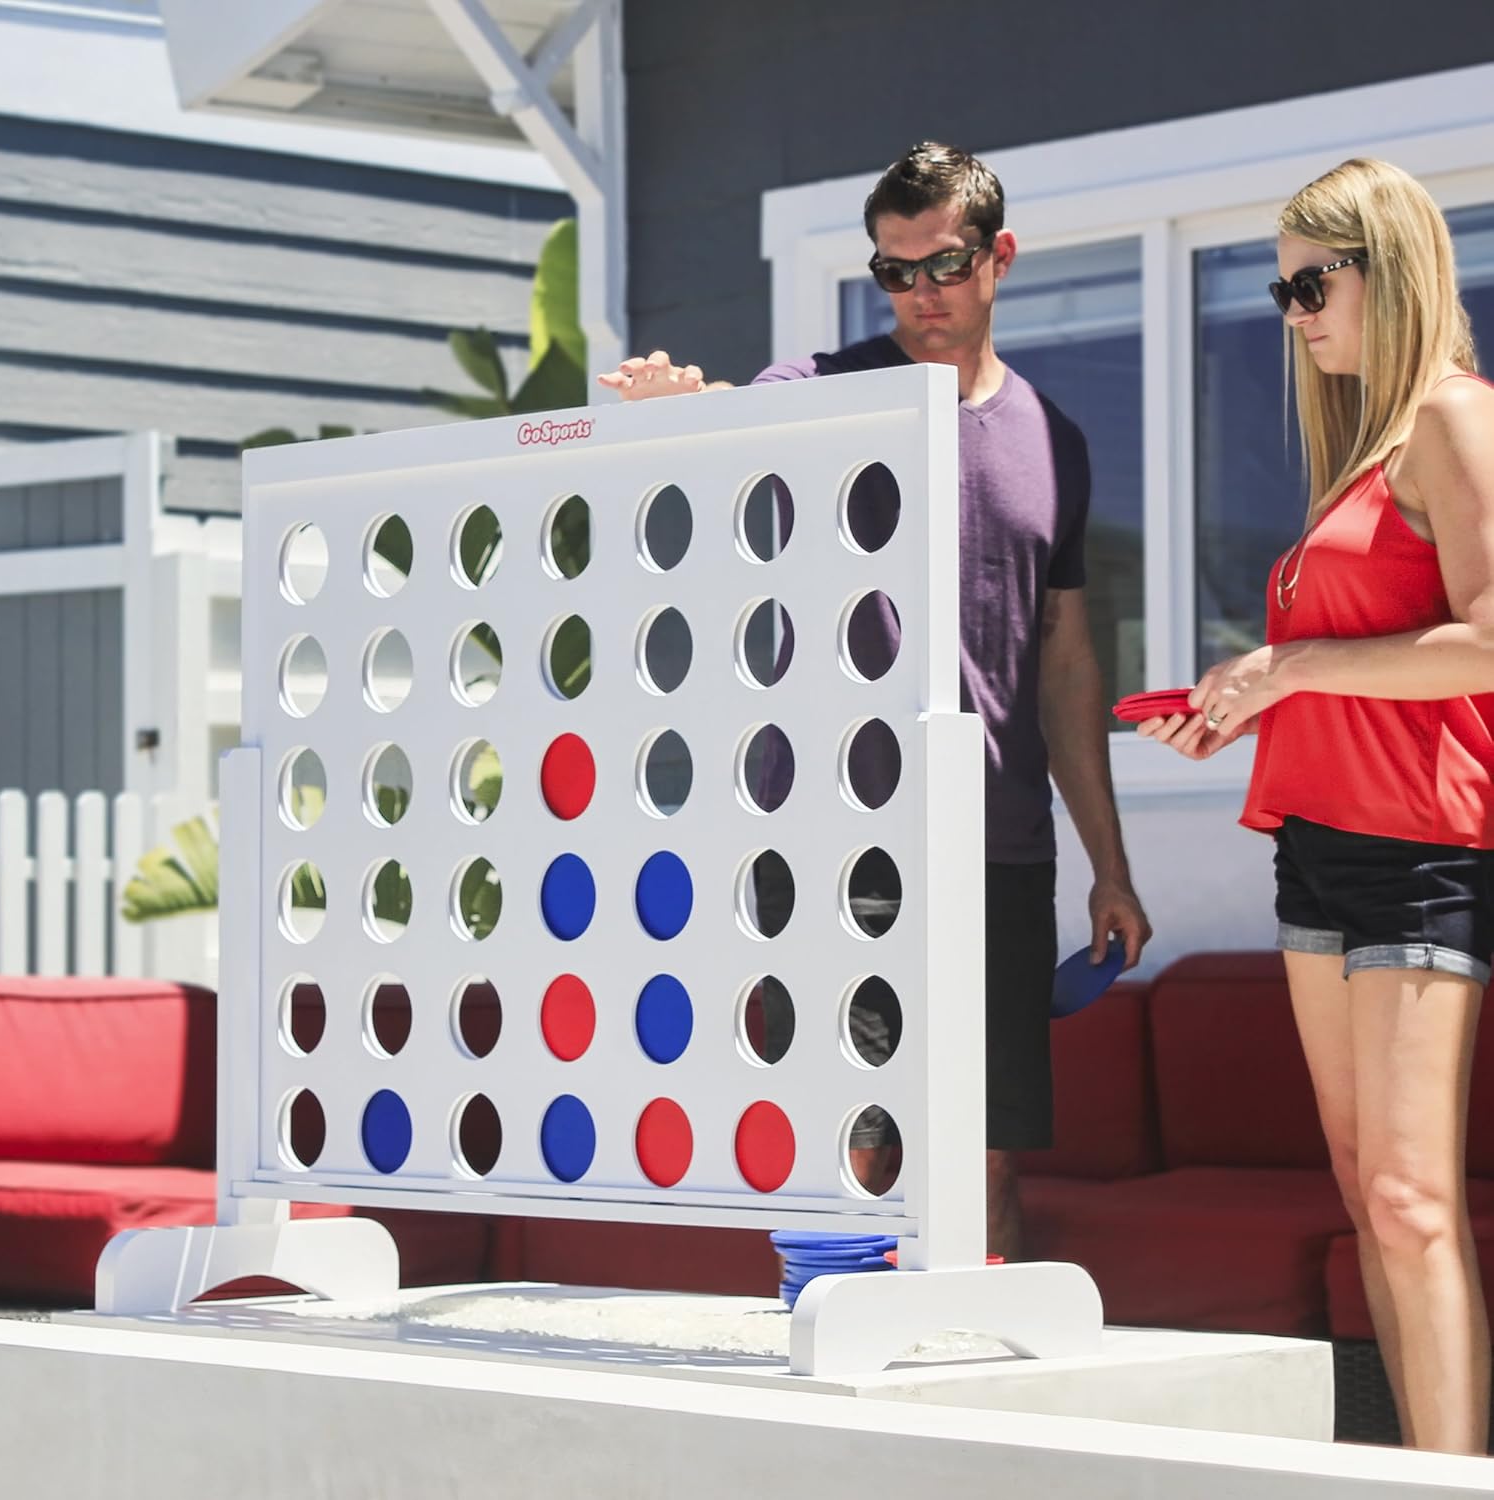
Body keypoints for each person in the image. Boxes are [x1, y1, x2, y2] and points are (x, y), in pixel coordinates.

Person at [600, 142, 1151, 1259]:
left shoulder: (1057, 440)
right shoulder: (824, 393)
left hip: (996, 841)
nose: (917, 294)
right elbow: (722, 427)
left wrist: (1111, 864)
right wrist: (672, 408)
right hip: (830, 839)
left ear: (999, 258)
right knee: (850, 1139)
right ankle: (839, 1384)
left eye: (941, 265)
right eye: (892, 272)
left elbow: (1067, 664)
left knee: (988, 1154)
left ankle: (969, 1399)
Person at [1140, 157, 1494, 1454]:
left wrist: (1289, 666)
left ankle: (1460, 1483)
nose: (1291, 310)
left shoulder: (1460, 418)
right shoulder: (1358, 463)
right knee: (1364, 1195)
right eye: (1278, 286)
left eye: (1309, 281)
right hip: (1316, 848)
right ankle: (1419, 1467)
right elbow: (1353, 669)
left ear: (1384, 272)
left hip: (1423, 855)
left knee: (1410, 1202)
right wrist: (1239, 699)